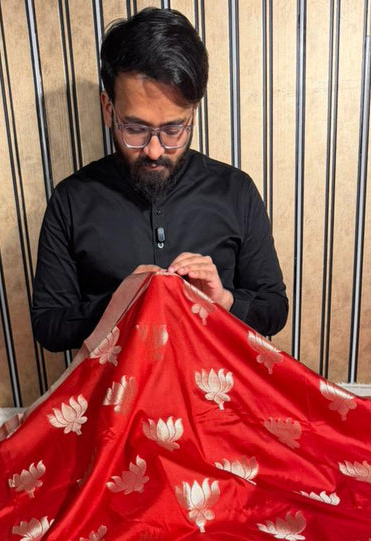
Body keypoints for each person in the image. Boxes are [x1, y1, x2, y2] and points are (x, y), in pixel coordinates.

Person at [31, 7, 288, 352]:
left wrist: (225, 300)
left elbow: (274, 309)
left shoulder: (236, 191)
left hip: (218, 391)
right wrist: (119, 302)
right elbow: (48, 326)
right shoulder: (70, 201)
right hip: (117, 397)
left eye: (173, 129)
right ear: (109, 109)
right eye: (135, 129)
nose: (154, 150)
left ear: (192, 113)